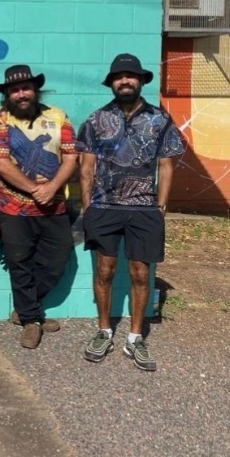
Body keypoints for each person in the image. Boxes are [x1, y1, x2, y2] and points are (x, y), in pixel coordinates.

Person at [78, 53, 184, 371]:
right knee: (105, 272)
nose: (125, 80)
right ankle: (104, 330)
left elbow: (166, 166)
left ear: (141, 81)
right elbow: (86, 167)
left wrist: (161, 207)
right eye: (119, 76)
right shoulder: (96, 121)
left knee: (140, 274)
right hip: (104, 207)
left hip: (144, 209)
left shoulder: (159, 120)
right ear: (111, 83)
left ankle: (135, 337)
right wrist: (88, 207)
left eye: (131, 76)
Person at [0, 65, 78, 349]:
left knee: (57, 260)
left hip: (54, 207)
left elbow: (72, 157)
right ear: (8, 94)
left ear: (35, 90)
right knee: (20, 264)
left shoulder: (58, 116)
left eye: (26, 88)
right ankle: (30, 321)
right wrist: (36, 189)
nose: (21, 94)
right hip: (13, 209)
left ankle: (28, 309)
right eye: (15, 90)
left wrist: (51, 188)